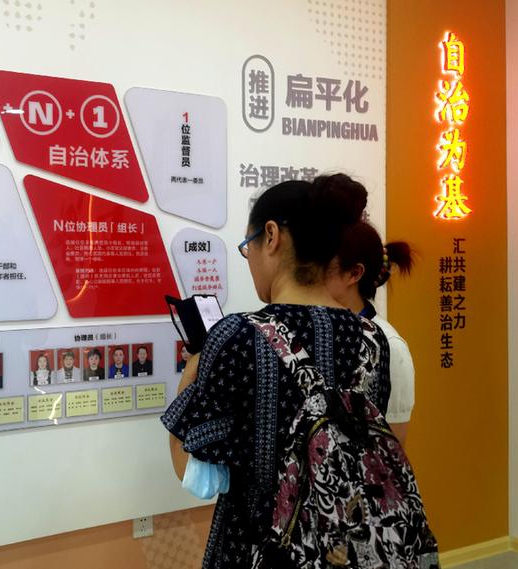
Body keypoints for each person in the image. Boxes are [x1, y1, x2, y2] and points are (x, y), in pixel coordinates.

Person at [161, 175, 391, 569]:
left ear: (271, 236)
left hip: (254, 553)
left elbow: (195, 475)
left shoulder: (236, 336)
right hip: (345, 552)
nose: (248, 259)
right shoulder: (373, 339)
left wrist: (192, 371)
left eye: (247, 246)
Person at [327, 220, 415, 445]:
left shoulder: (391, 346)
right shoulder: (320, 332)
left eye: (323, 263)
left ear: (354, 273)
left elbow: (392, 446)